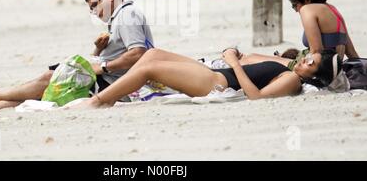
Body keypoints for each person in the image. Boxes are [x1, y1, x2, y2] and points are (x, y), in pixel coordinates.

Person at [0, 0, 154, 112]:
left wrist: (102, 67)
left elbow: (138, 54)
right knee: (51, 88)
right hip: (110, 80)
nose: (94, 12)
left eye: (95, 5)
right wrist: (98, 50)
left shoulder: (127, 15)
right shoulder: (118, 19)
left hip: (118, 86)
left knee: (52, 78)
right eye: (90, 9)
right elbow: (120, 56)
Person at [68, 46, 340, 109]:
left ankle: (99, 101)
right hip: (215, 71)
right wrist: (238, 57)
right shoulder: (289, 68)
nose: (304, 59)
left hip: (216, 82)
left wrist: (233, 62)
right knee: (151, 55)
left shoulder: (293, 81)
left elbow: (256, 97)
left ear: (313, 75)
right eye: (308, 56)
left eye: (310, 62)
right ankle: (119, 92)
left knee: (146, 69)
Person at [287, 0, 359, 60]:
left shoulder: (307, 9)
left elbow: (316, 52)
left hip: (323, 70)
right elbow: (352, 53)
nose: (296, 10)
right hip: (335, 67)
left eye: (295, 5)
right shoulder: (333, 10)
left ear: (307, 1)